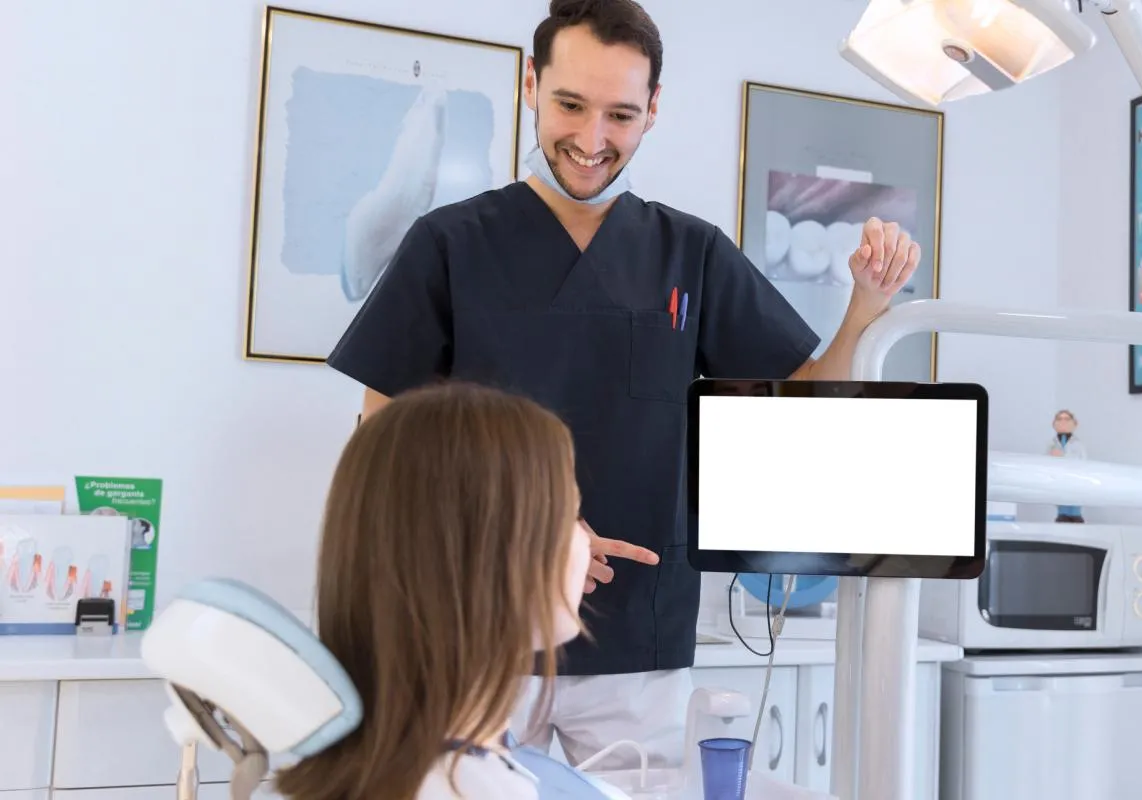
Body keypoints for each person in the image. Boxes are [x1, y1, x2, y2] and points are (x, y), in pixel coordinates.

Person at [325, 0, 920, 769]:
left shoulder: (690, 253)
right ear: (531, 85)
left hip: (640, 639)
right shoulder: (449, 244)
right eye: (571, 104)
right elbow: (382, 446)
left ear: (654, 111)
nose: (592, 139)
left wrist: (863, 310)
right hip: (474, 630)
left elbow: (799, 412)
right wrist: (532, 527)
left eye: (621, 115)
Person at [272, 382, 620, 799]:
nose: (586, 541)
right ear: (489, 557)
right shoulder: (468, 788)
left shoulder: (356, 764)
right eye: (571, 515)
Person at [1044, 409, 1087, 522]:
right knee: (1062, 515)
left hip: (1074, 485)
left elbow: (1083, 465)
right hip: (1059, 485)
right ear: (1054, 423)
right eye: (1059, 419)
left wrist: (1063, 457)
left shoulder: (1078, 445)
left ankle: (1074, 514)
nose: (1063, 422)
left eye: (1067, 419)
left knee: (1074, 513)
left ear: (1074, 423)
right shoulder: (1052, 444)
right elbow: (1045, 464)